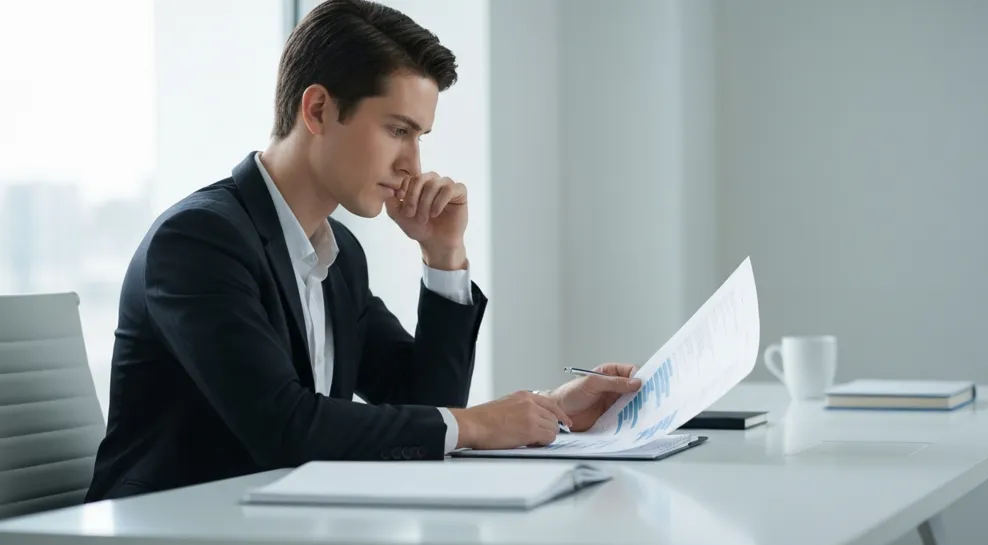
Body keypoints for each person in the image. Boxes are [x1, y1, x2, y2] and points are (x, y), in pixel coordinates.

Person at [85, 0, 642, 502]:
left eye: (419, 136)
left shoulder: (337, 253)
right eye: (398, 130)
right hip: (171, 525)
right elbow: (286, 428)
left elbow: (424, 403)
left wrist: (443, 256)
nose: (414, 166)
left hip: (284, 519)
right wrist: (477, 425)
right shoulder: (199, 242)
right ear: (319, 110)